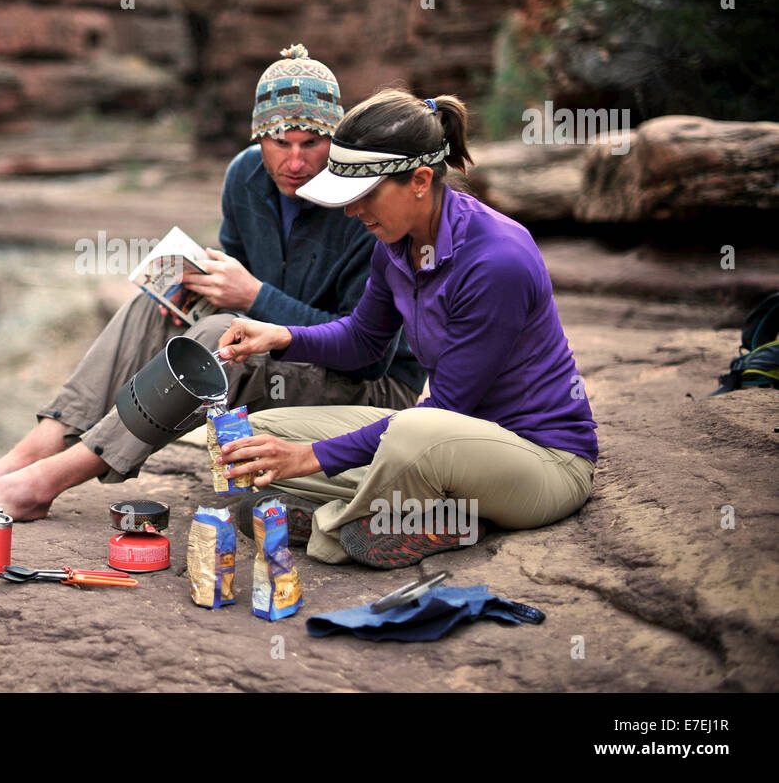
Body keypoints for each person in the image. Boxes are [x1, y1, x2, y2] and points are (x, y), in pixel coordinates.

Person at [0, 46, 425, 520]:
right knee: (156, 302)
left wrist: (253, 297)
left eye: (311, 143)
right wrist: (192, 283)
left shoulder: (364, 204)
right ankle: (37, 448)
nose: (294, 162)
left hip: (369, 388)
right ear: (257, 137)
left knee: (214, 339)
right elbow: (236, 272)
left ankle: (46, 483)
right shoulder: (246, 177)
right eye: (280, 143)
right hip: (278, 353)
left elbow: (368, 352)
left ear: (333, 139)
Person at [215, 89, 599, 568]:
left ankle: (335, 522)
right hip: (445, 445)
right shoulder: (396, 244)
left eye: (365, 195)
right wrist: (282, 337)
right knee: (257, 435)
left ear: (420, 180)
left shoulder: (497, 260)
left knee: (412, 431)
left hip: (541, 461)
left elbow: (446, 409)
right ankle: (416, 514)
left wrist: (308, 458)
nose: (353, 212)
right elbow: (362, 340)